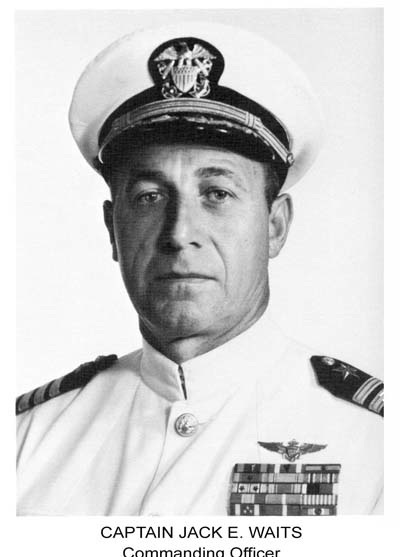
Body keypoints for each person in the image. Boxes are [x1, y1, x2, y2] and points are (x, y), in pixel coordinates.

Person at [16, 22, 383, 516]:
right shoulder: (27, 440)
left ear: (275, 226)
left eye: (217, 194)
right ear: (112, 230)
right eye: (149, 197)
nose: (179, 232)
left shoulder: (376, 444)